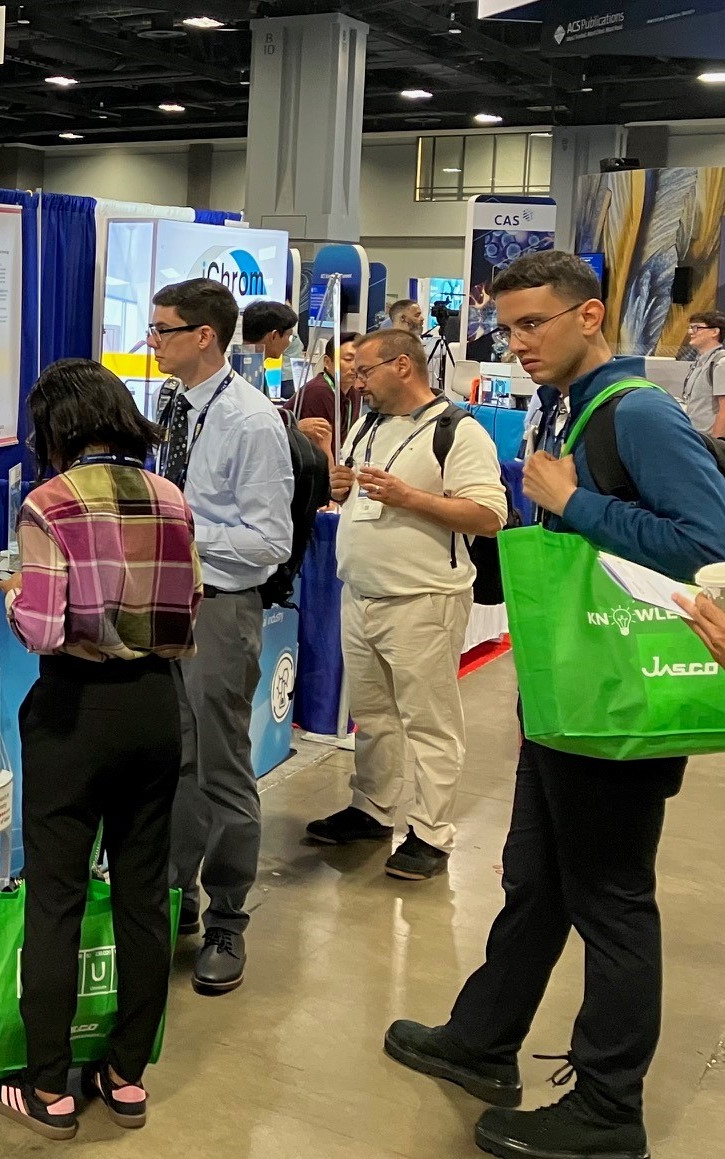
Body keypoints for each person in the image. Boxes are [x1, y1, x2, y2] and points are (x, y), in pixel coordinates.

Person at [384, 252, 725, 1159]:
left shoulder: (638, 412)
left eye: (535, 323)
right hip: (565, 691)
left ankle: (609, 1109)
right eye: (509, 327)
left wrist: (575, 501)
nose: (519, 343)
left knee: (612, 900)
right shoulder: (564, 406)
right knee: (534, 880)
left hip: (617, 705)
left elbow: (708, 544)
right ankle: (484, 1039)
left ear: (590, 316)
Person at [0, 360, 201, 1141]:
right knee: (145, 895)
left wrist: (14, 596)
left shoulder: (49, 503)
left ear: (58, 428)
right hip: (152, 706)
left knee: (56, 895)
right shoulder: (169, 497)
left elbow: (42, 628)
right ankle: (125, 1073)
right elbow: (188, 608)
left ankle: (47, 1087)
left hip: (74, 712)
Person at [307, 328, 507, 880]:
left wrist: (409, 497)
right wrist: (342, 484)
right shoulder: (368, 424)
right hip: (363, 593)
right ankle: (372, 809)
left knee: (429, 722)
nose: (356, 380)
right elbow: (357, 498)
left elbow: (490, 516)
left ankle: (431, 833)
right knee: (372, 716)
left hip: (424, 599)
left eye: (365, 370)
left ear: (402, 366)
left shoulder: (457, 432)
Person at [150, 278, 294, 997]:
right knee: (171, 758)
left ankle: (228, 919)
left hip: (220, 606)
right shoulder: (170, 408)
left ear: (202, 334)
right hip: (164, 604)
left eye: (162, 329)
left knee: (220, 766)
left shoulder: (250, 421)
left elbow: (269, 540)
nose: (152, 342)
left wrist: (175, 534)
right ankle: (176, 897)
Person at [293, 331, 363, 454]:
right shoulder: (319, 391)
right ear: (327, 362)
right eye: (348, 359)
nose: (355, 366)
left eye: (359, 360)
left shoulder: (354, 390)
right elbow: (323, 448)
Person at [673, 310, 725, 437]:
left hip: (709, 442)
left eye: (696, 328)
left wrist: (716, 446)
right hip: (694, 437)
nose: (690, 332)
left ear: (714, 332)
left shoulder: (720, 363)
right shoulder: (698, 363)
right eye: (690, 328)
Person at [242, 300, 300, 401]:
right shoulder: (250, 374)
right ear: (274, 335)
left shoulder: (240, 365)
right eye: (289, 336)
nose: (289, 343)